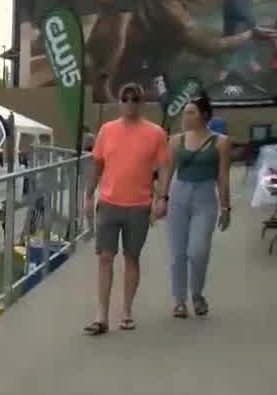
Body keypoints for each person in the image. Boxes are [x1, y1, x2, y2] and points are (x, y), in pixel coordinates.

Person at [84, 83, 170, 335]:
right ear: (119, 102)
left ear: (141, 103)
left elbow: (164, 167)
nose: (130, 102)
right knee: (105, 258)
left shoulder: (155, 133)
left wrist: (163, 197)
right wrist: (89, 196)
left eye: (135, 99)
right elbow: (97, 165)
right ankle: (101, 315)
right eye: (125, 98)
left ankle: (127, 310)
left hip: (139, 207)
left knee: (132, 258)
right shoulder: (107, 131)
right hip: (109, 204)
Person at [166, 94, 231, 319]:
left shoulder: (221, 142)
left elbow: (223, 176)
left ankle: (197, 294)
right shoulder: (176, 140)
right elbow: (167, 171)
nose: (186, 116)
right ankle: (179, 301)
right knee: (178, 253)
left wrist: (226, 207)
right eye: (185, 112)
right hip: (179, 194)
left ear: (204, 115)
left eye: (191, 112)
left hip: (205, 196)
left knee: (198, 251)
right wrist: (161, 198)